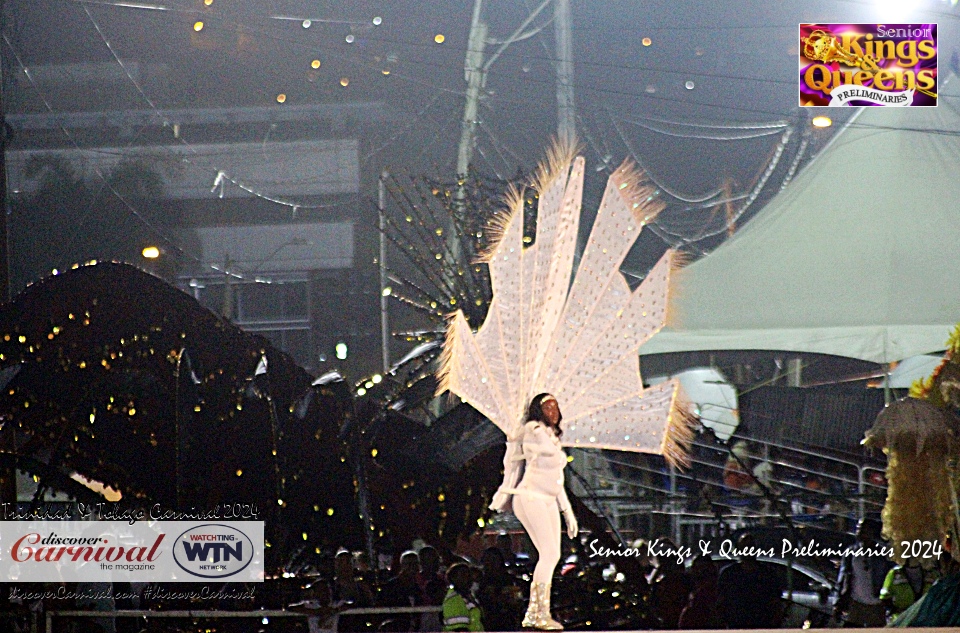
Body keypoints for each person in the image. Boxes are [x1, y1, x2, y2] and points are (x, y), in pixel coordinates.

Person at [489, 393, 578, 631]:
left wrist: (568, 512)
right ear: (538, 411)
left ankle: (539, 612)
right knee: (548, 555)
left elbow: (557, 482)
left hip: (549, 499)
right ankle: (536, 612)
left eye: (556, 406)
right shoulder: (533, 429)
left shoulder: (551, 435)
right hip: (531, 498)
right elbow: (535, 449)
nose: (554, 411)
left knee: (553, 555)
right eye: (548, 407)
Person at [716, 533, 784, 628]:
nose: (747, 551)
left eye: (750, 547)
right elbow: (721, 601)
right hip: (736, 625)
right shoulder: (729, 574)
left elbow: (776, 601)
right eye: (744, 547)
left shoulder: (767, 574)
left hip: (762, 625)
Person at [834, 518, 892, 627]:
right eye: (858, 529)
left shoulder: (882, 554)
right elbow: (842, 579)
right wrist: (838, 601)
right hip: (856, 604)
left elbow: (889, 576)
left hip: (877, 605)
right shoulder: (851, 553)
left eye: (864, 530)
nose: (860, 532)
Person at [443, 563, 483, 632]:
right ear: (454, 578)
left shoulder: (470, 596)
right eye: (463, 575)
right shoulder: (454, 600)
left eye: (469, 575)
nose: (468, 578)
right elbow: (459, 629)